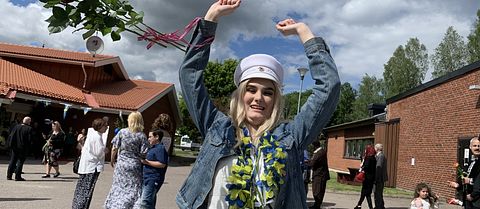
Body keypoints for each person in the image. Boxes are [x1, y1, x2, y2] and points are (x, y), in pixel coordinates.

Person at [175, 1, 340, 208]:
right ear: (241, 94)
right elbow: (189, 77)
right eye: (251, 89)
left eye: (268, 92)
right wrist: (211, 18)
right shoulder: (216, 127)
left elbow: (329, 86)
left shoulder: (292, 136)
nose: (258, 98)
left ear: (275, 100)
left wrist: (303, 31)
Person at [104, 112, 149, 209]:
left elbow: (114, 147)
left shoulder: (122, 132)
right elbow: (144, 153)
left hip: (122, 164)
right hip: (134, 165)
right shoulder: (142, 136)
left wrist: (112, 160)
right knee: (133, 188)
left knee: (118, 185)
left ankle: (115, 205)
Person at [72, 118, 109, 209]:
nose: (106, 128)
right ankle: (81, 206)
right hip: (92, 167)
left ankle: (78, 205)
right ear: (100, 127)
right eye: (105, 126)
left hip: (87, 167)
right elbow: (98, 153)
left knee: (82, 188)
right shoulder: (97, 137)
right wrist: (105, 151)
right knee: (87, 189)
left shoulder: (93, 135)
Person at [140, 128, 169, 209]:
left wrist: (146, 162)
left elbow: (162, 164)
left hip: (153, 179)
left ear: (157, 137)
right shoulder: (152, 148)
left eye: (150, 137)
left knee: (145, 202)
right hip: (147, 178)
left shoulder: (160, 149)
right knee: (150, 202)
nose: (148, 139)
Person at [449, 136, 480, 208]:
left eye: (479, 146)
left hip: (477, 201)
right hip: (469, 200)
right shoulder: (472, 162)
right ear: (470, 147)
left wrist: (470, 182)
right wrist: (458, 185)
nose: (477, 148)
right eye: (475, 146)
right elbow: (468, 179)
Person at [7, 116, 33, 181]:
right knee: (20, 162)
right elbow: (30, 140)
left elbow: (11, 136)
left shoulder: (16, 127)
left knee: (12, 161)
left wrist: (10, 145)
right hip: (23, 148)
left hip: (15, 147)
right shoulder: (29, 129)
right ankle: (17, 176)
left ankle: (9, 176)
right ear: (29, 122)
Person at [307, 140, 330, 209]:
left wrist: (304, 163)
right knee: (318, 191)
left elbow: (312, 163)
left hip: (320, 175)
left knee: (317, 191)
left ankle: (317, 206)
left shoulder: (319, 153)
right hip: (320, 175)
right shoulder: (321, 151)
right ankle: (316, 206)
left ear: (315, 146)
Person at [354, 145, 377, 209]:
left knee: (365, 193)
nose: (365, 150)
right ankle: (359, 205)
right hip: (371, 178)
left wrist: (362, 166)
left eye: (366, 149)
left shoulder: (368, 158)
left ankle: (360, 205)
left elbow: (366, 167)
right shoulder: (374, 158)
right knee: (366, 193)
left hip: (366, 178)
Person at [374, 143, 387, 209]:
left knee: (377, 193)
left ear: (377, 148)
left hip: (379, 178)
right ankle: (381, 206)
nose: (374, 149)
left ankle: (378, 207)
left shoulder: (380, 156)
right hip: (379, 178)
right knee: (378, 193)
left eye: (375, 147)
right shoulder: (377, 155)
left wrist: (376, 178)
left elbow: (378, 167)